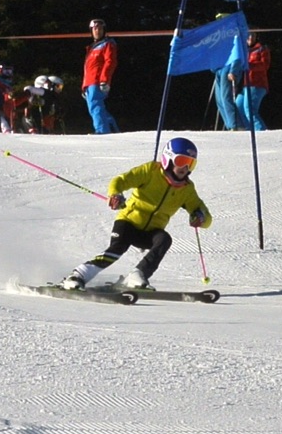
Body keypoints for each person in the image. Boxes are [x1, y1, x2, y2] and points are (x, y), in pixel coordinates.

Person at [67, 137, 212, 291]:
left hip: (150, 233)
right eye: (181, 160)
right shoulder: (150, 171)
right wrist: (115, 194)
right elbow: (120, 180)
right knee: (117, 248)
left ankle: (137, 275)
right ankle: (78, 275)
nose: (185, 167)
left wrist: (200, 217)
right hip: (128, 222)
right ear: (168, 159)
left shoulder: (187, 189)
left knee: (164, 239)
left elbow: (206, 216)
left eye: (190, 163)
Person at [81, 19, 119, 133]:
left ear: (104, 30)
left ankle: (102, 131)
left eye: (100, 28)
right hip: (89, 83)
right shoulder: (91, 48)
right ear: (91, 31)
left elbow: (110, 62)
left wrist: (104, 80)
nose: (97, 31)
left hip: (97, 81)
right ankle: (113, 129)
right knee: (95, 108)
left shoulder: (107, 44)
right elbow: (88, 68)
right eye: (95, 28)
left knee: (95, 105)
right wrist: (84, 87)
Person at [238, 35, 270, 129]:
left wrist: (249, 65)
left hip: (257, 84)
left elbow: (265, 65)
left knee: (250, 109)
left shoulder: (261, 48)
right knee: (239, 106)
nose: (250, 38)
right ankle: (250, 130)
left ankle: (261, 130)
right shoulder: (244, 50)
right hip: (246, 85)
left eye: (253, 35)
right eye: (248, 35)